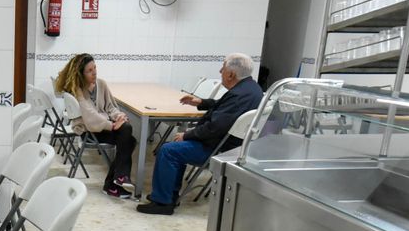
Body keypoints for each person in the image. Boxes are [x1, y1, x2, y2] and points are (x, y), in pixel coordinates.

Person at [136, 53, 263, 216]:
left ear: (231, 74)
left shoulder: (239, 95)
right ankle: (168, 195)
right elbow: (223, 107)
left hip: (219, 149)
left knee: (169, 150)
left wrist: (187, 135)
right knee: (173, 148)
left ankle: (163, 203)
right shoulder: (250, 88)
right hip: (231, 145)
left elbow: (215, 128)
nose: (220, 71)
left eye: (223, 68)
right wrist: (201, 102)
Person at [53, 53, 137, 198]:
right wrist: (111, 125)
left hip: (102, 126)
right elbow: (90, 116)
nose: (94, 72)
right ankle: (115, 181)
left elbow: (111, 107)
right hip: (88, 131)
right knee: (129, 138)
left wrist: (119, 116)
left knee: (127, 134)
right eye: (89, 70)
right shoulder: (77, 90)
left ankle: (116, 180)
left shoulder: (102, 84)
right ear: (81, 74)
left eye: (95, 68)